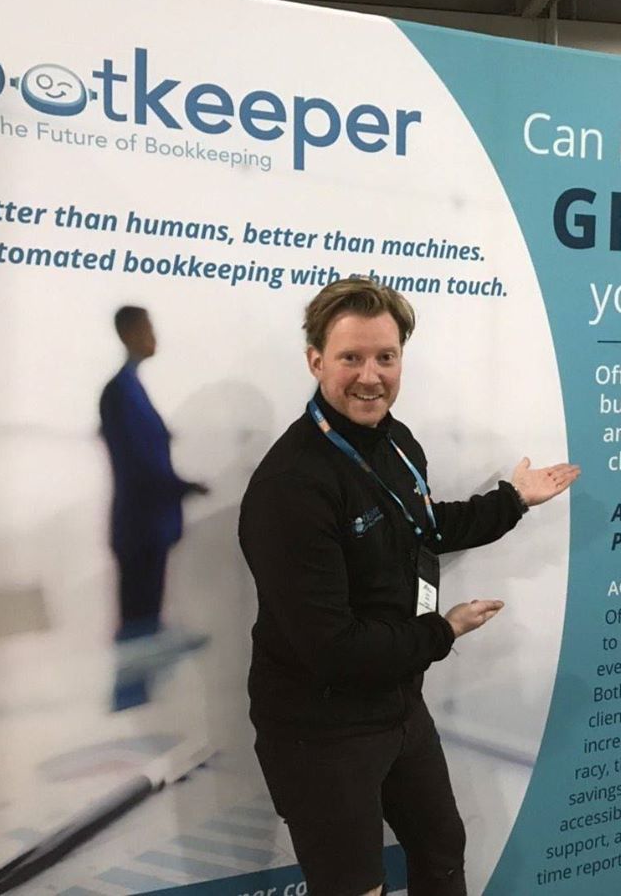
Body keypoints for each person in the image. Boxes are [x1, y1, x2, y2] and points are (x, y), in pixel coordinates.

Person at [238, 279, 579, 896]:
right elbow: (333, 648)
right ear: (316, 361)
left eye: (385, 357)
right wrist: (443, 631)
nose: (370, 377)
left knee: (442, 848)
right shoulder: (291, 487)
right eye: (350, 357)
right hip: (321, 728)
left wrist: (512, 500)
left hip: (396, 701)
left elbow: (422, 527)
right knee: (355, 887)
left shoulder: (396, 441)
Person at [100, 305, 209, 643]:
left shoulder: (130, 389)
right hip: (140, 526)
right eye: (146, 329)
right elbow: (139, 463)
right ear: (128, 333)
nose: (153, 337)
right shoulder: (121, 392)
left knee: (146, 625)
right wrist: (182, 487)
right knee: (139, 630)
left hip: (148, 525)